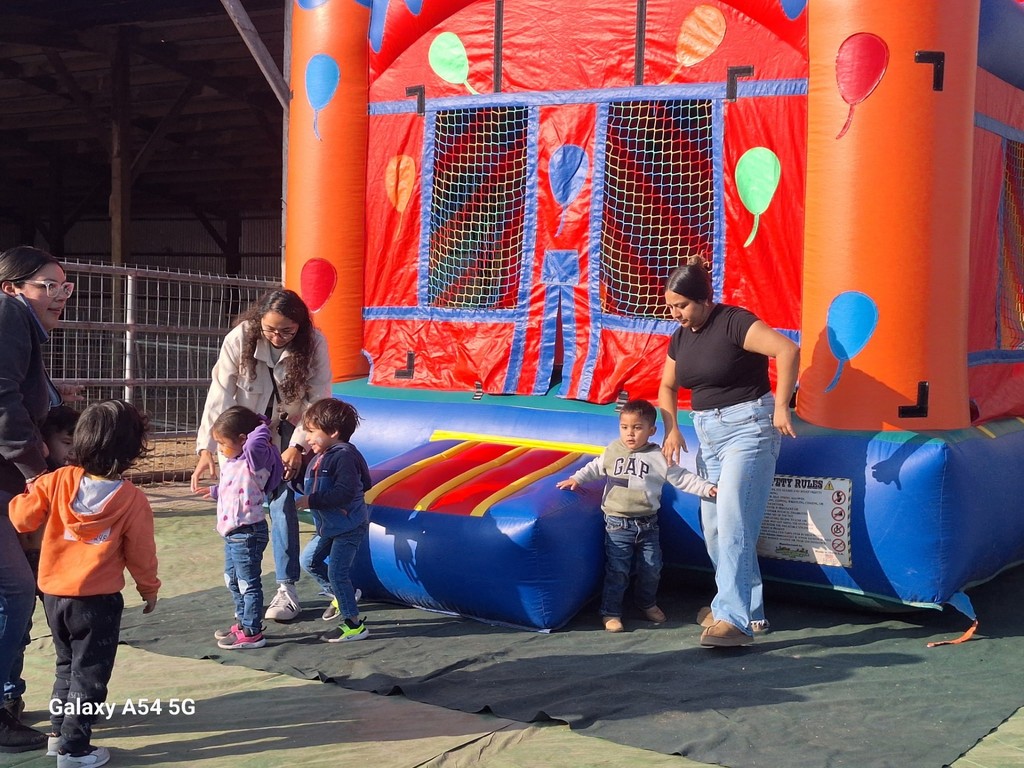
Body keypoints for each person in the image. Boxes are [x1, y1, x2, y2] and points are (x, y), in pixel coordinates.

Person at [9, 399, 160, 768]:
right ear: (132, 450)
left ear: (81, 442)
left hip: (54, 595)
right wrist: (149, 587)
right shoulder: (132, 500)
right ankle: (74, 750)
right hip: (98, 601)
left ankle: (59, 732)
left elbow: (22, 519)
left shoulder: (57, 480)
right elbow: (141, 552)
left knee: (66, 664)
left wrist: (31, 491)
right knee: (89, 674)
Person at [658, 258, 798, 648]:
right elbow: (667, 386)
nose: (676, 314)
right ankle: (748, 611)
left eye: (682, 305)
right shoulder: (680, 336)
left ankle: (731, 618)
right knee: (717, 528)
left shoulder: (734, 321)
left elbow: (787, 350)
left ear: (704, 300)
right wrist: (671, 429)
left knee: (735, 520)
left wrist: (782, 405)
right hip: (708, 436)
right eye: (671, 306)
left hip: (747, 429)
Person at [192, 289, 332, 622]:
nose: (278, 336)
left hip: (289, 431)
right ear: (259, 322)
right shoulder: (240, 338)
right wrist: (206, 449)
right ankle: (239, 578)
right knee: (237, 504)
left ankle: (287, 588)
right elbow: (220, 392)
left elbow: (318, 397)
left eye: (287, 330)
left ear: (300, 326)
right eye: (271, 329)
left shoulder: (314, 342)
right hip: (243, 435)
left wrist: (296, 447)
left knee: (282, 503)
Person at [556, 399, 718, 633]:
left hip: (648, 524)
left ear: (651, 431)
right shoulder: (613, 450)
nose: (630, 434)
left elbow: (682, 477)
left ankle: (647, 603)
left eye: (637, 428)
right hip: (617, 524)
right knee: (617, 569)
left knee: (652, 567)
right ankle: (611, 612)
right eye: (625, 427)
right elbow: (595, 467)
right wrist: (576, 479)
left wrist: (706, 488)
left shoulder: (658, 456)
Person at [0, 245, 72, 753]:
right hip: (13, 479)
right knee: (17, 590)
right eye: (47, 285)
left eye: (64, 287)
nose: (59, 295)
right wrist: (37, 471)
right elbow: (0, 398)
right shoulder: (8, 316)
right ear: (13, 288)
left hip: (10, 484)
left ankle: (7, 696)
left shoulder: (22, 328)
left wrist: (51, 396)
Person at [205, 406, 284, 650]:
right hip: (231, 533)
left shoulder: (256, 457)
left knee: (247, 582)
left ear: (242, 439)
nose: (220, 448)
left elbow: (255, 442)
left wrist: (261, 425)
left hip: (247, 532)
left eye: (222, 443)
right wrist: (214, 492)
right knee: (232, 579)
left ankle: (252, 631)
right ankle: (242, 621)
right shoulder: (234, 460)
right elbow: (234, 486)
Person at [294, 398, 372, 643]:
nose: (307, 438)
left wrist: (312, 501)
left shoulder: (344, 456)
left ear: (333, 432)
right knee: (308, 561)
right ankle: (340, 595)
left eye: (311, 432)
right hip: (329, 526)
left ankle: (354, 625)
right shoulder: (322, 456)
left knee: (338, 572)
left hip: (348, 526)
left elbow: (345, 492)